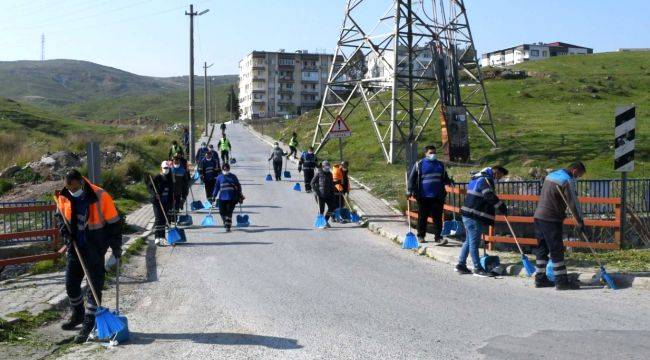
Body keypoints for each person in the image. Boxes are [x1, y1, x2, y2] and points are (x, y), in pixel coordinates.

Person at [55, 170, 122, 343]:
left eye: (75, 188)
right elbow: (60, 217)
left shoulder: (100, 195)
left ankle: (89, 323)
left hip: (95, 248)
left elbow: (114, 223)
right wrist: (65, 232)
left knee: (93, 287)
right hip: (75, 248)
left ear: (81, 182)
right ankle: (78, 314)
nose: (72, 191)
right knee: (71, 285)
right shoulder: (63, 196)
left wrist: (116, 249)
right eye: (69, 188)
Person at [533, 162, 587, 290]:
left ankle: (540, 279)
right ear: (574, 171)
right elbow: (573, 202)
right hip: (551, 218)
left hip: (538, 216)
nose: (577, 178)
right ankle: (561, 281)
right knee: (556, 249)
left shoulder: (551, 176)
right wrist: (580, 221)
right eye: (579, 175)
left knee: (542, 249)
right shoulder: (566, 180)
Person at [456, 166, 509, 277]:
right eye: (500, 176)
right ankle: (477, 268)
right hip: (474, 215)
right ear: (496, 172)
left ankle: (461, 264)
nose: (499, 179)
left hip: (468, 213)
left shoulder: (476, 178)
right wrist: (501, 207)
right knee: (474, 243)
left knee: (469, 241)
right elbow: (489, 196)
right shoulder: (485, 180)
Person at [407, 145, 453, 245]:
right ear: (426, 153)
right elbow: (412, 179)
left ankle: (438, 238)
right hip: (423, 196)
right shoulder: (419, 164)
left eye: (434, 152)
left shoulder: (440, 165)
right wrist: (409, 190)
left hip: (437, 196)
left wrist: (450, 181)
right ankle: (421, 236)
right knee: (422, 217)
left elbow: (444, 177)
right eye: (431, 153)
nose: (433, 154)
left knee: (437, 218)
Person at [212, 163, 244, 232]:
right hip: (222, 198)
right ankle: (225, 221)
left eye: (227, 169)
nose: (226, 170)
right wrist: (214, 196)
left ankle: (228, 226)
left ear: (229, 169)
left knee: (229, 212)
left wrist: (240, 194)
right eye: (224, 169)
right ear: (222, 169)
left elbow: (238, 186)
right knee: (221, 212)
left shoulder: (233, 177)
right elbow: (216, 187)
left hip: (232, 198)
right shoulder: (219, 177)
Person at [148, 161, 173, 246]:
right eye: (165, 168)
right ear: (161, 168)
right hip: (157, 202)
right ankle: (157, 237)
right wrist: (155, 194)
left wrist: (173, 199)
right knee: (158, 219)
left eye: (167, 168)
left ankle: (162, 237)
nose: (166, 170)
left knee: (164, 220)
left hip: (166, 202)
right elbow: (150, 187)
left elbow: (171, 190)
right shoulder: (157, 177)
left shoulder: (170, 177)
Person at [311, 160, 337, 228]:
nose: (327, 168)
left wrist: (333, 193)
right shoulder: (318, 173)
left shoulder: (330, 174)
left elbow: (331, 184)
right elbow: (312, 183)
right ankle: (321, 223)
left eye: (328, 167)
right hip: (320, 195)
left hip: (328, 195)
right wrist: (317, 191)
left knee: (331, 208)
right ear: (322, 167)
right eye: (326, 167)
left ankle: (325, 221)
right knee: (321, 210)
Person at [170, 155, 190, 222]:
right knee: (171, 205)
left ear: (179, 161)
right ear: (173, 161)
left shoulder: (183, 170)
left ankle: (175, 218)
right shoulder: (170, 170)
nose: (176, 161)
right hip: (171, 191)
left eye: (177, 160)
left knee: (176, 205)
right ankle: (172, 217)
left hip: (179, 191)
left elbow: (186, 182)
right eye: (174, 160)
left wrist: (185, 190)